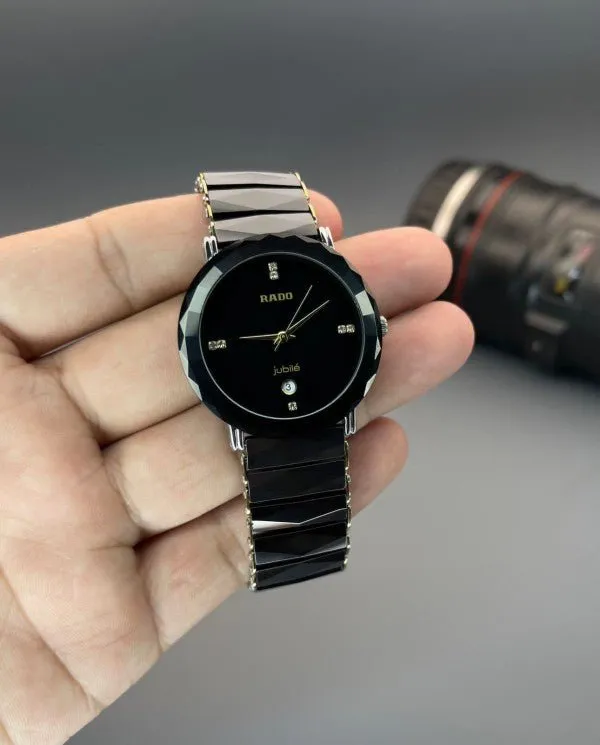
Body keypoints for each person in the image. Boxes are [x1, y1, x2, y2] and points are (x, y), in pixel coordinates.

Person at [0, 189, 473, 745]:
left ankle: (304, 549)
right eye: (275, 337)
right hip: (272, 416)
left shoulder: (343, 320)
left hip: (325, 406)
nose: (281, 340)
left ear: (373, 328)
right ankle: (300, 550)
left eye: (287, 334)